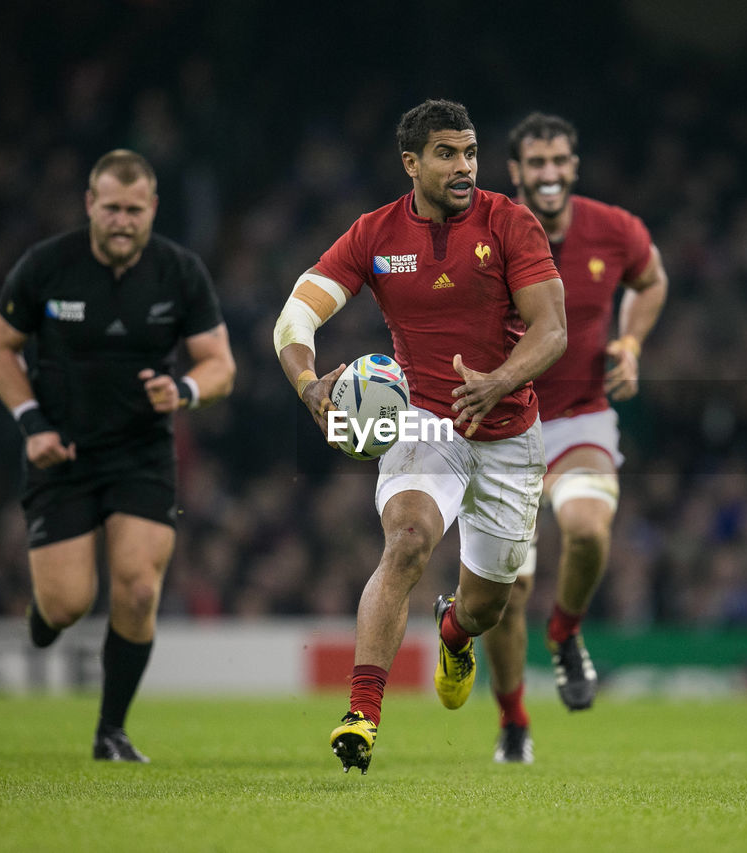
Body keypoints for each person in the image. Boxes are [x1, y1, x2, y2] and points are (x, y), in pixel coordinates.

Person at [274, 99, 566, 774]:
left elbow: (552, 330)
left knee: (490, 603)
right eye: (446, 153)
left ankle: (453, 630)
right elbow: (295, 314)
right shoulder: (374, 235)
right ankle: (362, 711)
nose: (463, 165)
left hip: (509, 429)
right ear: (411, 162)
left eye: (469, 152)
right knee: (406, 541)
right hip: (424, 416)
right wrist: (309, 384)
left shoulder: (510, 223)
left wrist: (498, 380)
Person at [0, 149, 236, 762]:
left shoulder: (179, 272)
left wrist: (182, 390)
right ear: (90, 205)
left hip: (141, 454)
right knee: (68, 604)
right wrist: (31, 423)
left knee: (140, 590)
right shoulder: (47, 266)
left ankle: (111, 732)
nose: (122, 219)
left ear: (152, 209)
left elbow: (221, 365)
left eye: (134, 209)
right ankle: (44, 615)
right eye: (111, 207)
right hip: (60, 454)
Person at [481, 113, 668, 763]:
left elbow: (652, 279)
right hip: (503, 426)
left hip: (581, 416)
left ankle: (564, 633)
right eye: (536, 164)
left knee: (588, 528)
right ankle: (513, 721)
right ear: (515, 172)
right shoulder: (488, 231)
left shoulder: (614, 229)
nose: (550, 174)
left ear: (575, 163)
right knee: (506, 596)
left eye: (560, 160)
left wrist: (630, 340)